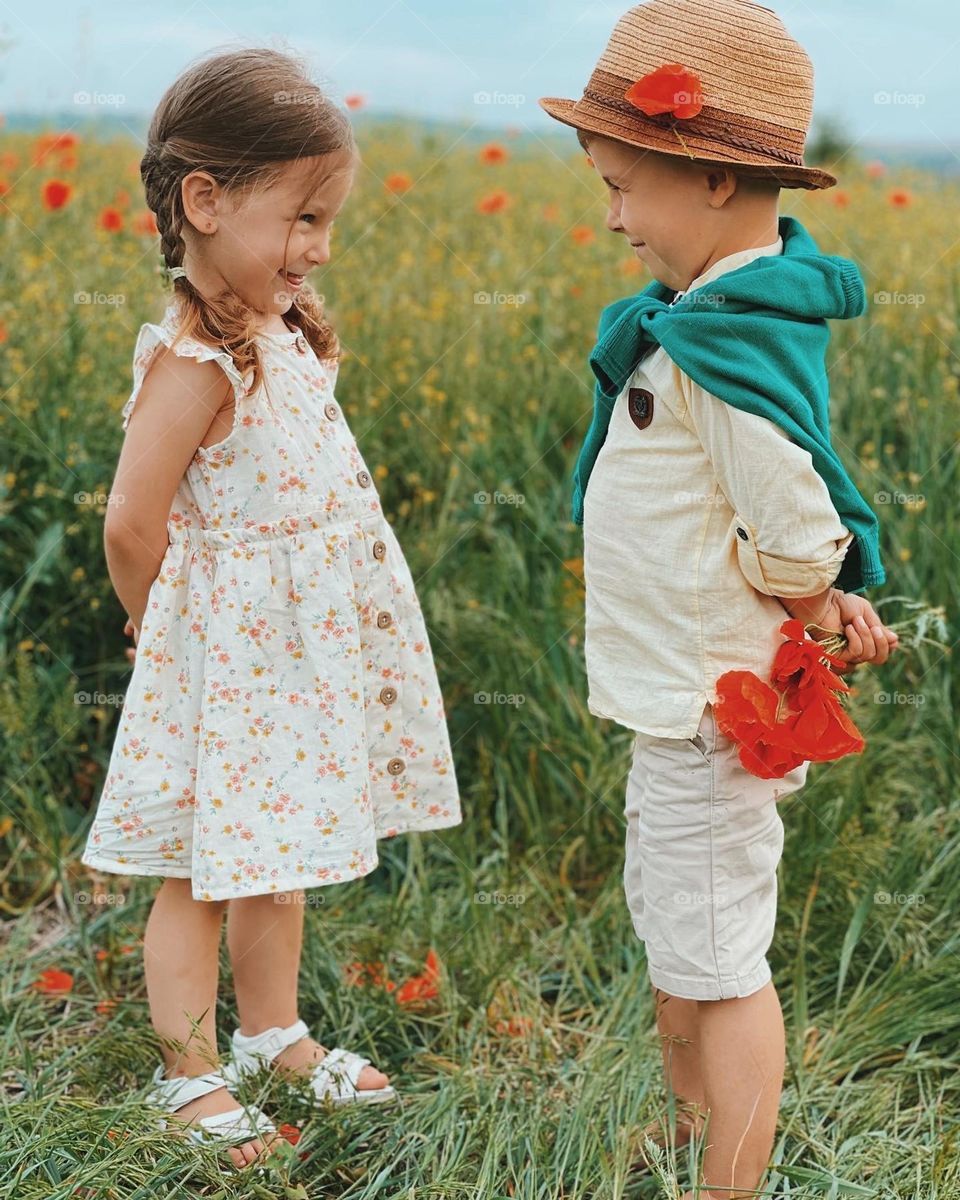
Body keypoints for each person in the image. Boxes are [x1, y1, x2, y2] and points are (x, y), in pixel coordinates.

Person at [80, 46, 462, 1171]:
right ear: (204, 201)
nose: (319, 248)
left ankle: (272, 1034)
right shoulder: (197, 358)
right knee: (201, 874)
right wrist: (161, 636)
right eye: (302, 218)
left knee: (275, 851)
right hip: (222, 667)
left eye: (329, 221)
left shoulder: (282, 336)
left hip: (291, 663)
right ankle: (189, 1074)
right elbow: (129, 523)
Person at [539, 2, 898, 1196]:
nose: (613, 216)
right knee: (678, 939)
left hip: (714, 710)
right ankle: (695, 1130)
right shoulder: (710, 323)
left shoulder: (721, 349)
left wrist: (796, 588)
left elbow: (799, 526)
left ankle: (727, 1178)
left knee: (720, 961)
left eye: (624, 185)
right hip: (684, 706)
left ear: (707, 178)